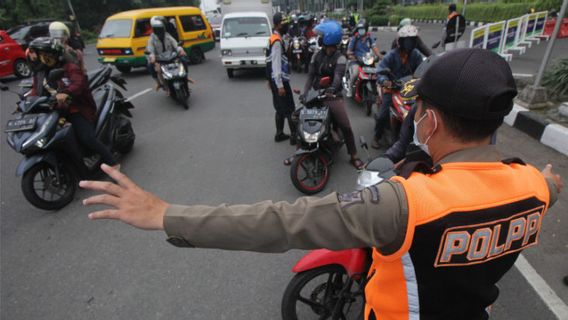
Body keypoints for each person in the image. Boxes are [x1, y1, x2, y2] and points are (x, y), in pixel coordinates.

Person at [81, 48, 563, 320]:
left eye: (417, 111)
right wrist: (544, 179)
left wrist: (164, 213)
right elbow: (548, 184)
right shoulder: (534, 187)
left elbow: (281, 222)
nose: (412, 117)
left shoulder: (405, 202)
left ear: (430, 122)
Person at [29, 37, 119, 168]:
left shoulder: (70, 68)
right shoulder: (40, 73)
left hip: (76, 109)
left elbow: (79, 84)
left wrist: (66, 93)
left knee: (87, 138)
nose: (36, 57)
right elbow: (35, 91)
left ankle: (113, 163)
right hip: (53, 111)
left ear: (49, 54)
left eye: (39, 54)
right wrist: (26, 103)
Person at [287, 20, 364, 169]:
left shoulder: (340, 58)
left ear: (329, 38)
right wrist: (305, 93)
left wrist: (332, 89)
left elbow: (336, 78)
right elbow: (310, 76)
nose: (319, 38)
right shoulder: (316, 55)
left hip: (331, 96)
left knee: (345, 125)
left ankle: (353, 155)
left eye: (321, 36)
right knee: (297, 118)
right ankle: (299, 151)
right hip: (315, 94)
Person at [373, 25, 423, 149]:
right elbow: (379, 71)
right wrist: (385, 81)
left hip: (410, 89)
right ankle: (376, 137)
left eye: (411, 40)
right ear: (400, 41)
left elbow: (422, 69)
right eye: (406, 40)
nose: (409, 43)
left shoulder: (416, 54)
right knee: (383, 115)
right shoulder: (391, 55)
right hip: (392, 88)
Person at [266, 13, 296, 144]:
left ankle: (279, 134)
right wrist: (280, 86)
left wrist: (269, 80)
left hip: (274, 79)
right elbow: (276, 64)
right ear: (277, 25)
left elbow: (268, 61)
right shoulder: (277, 42)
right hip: (280, 81)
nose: (287, 26)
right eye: (284, 23)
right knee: (290, 108)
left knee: (279, 108)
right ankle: (295, 137)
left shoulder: (273, 38)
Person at [146, 16, 188, 92]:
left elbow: (175, 44)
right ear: (154, 29)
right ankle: (159, 83)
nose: (160, 31)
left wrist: (180, 50)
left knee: (183, 60)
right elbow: (150, 49)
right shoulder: (151, 38)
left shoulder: (167, 35)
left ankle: (186, 76)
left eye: (161, 28)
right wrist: (152, 56)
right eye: (158, 29)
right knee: (150, 66)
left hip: (171, 57)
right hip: (159, 59)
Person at [345, 20, 380, 98]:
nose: (361, 30)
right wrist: (351, 55)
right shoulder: (355, 38)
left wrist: (380, 56)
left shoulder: (369, 37)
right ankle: (350, 89)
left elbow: (374, 47)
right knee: (355, 74)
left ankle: (377, 92)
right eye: (359, 29)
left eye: (362, 28)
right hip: (356, 60)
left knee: (377, 74)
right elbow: (349, 51)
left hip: (367, 60)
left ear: (366, 29)